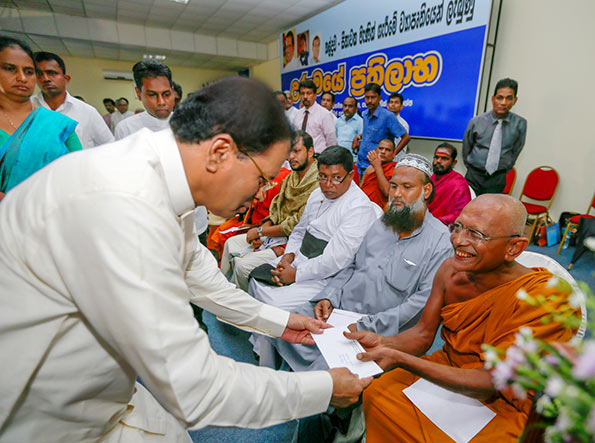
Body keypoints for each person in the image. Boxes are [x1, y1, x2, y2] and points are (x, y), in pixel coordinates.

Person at [0, 76, 371, 442]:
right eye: (262, 179)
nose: (260, 196)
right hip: (45, 412)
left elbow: (204, 282)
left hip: (100, 387)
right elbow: (194, 387)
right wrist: (321, 389)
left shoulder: (155, 176)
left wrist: (281, 322)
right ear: (220, 152)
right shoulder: (123, 202)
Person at [348, 194, 579, 442]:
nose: (458, 240)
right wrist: (384, 343)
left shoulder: (548, 297)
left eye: (476, 235)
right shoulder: (450, 271)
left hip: (508, 399)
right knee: (380, 393)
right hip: (450, 367)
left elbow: (493, 380)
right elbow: (423, 334)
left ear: (514, 248)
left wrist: (401, 359)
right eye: (458, 227)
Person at [264, 153, 452, 372]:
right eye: (393, 186)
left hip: (379, 329)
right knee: (279, 324)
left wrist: (366, 325)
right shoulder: (383, 222)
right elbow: (352, 265)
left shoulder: (440, 242)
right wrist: (328, 296)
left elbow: (417, 305)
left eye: (406, 187)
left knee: (325, 370)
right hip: (338, 308)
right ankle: (271, 384)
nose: (397, 194)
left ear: (426, 191)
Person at [248, 145, 378, 314]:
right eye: (322, 177)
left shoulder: (358, 207)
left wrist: (296, 274)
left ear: (351, 175)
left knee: (274, 305)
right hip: (299, 258)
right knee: (256, 280)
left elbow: (336, 260)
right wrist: (289, 255)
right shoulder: (317, 194)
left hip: (325, 274)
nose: (328, 185)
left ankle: (271, 340)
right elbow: (300, 231)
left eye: (336, 178)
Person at [222, 130, 319, 291]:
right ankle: (223, 292)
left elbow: (295, 224)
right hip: (274, 234)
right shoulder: (292, 177)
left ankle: (247, 305)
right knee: (230, 243)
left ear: (310, 151)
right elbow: (276, 209)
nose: (291, 157)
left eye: (297, 151)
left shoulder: (317, 183)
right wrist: (262, 231)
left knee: (242, 266)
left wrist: (261, 232)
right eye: (289, 152)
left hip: (293, 243)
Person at [0, 36, 81, 200]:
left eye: (29, 72)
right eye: (10, 68)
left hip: (49, 217)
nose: (22, 78)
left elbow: (80, 174)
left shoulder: (57, 124)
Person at [32, 51, 114, 149]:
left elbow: (109, 145)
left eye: (52, 73)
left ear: (66, 79)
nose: (45, 78)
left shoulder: (87, 111)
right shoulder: (27, 107)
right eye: (39, 74)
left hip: (77, 163)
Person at [463, 78, 527, 195]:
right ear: (493, 99)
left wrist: (504, 168)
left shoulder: (520, 124)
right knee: (468, 209)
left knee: (490, 212)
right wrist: (473, 167)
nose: (503, 103)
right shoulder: (476, 121)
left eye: (509, 98)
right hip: (474, 176)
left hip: (497, 178)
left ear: (515, 100)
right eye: (499, 98)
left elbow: (516, 149)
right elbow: (467, 147)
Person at [353, 83, 409, 176]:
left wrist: (393, 154)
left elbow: (406, 137)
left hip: (376, 167)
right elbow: (370, 132)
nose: (369, 101)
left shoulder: (388, 116)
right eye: (367, 98)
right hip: (361, 164)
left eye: (373, 97)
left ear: (379, 98)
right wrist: (358, 137)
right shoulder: (365, 114)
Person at [115, 60, 175, 140]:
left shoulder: (187, 124)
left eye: (166, 94)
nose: (161, 102)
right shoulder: (126, 129)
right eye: (152, 95)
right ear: (138, 93)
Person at [428, 143, 472, 225]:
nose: (438, 161)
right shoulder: (429, 179)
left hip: (444, 228)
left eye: (444, 158)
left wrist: (435, 222)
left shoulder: (458, 184)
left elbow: (460, 214)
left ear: (453, 163)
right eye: (436, 157)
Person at [291, 79, 337, 154]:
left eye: (309, 93)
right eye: (302, 93)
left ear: (315, 95)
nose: (305, 97)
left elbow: (331, 142)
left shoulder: (324, 114)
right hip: (301, 157)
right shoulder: (298, 115)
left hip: (318, 157)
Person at [360, 138, 397, 208]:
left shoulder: (395, 169)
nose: (383, 152)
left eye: (388, 150)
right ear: (376, 150)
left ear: (393, 154)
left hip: (380, 210)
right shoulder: (369, 169)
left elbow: (387, 192)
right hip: (364, 206)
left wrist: (377, 166)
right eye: (381, 148)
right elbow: (361, 190)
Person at [335, 96, 363, 161]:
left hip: (353, 160)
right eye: (345, 106)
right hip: (339, 159)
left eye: (350, 106)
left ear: (356, 108)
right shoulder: (338, 121)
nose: (347, 108)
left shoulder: (360, 122)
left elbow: (361, 142)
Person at [387, 92, 410, 160]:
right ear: (387, 105)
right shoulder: (383, 120)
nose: (393, 105)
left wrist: (393, 156)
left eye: (396, 102)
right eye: (391, 102)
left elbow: (401, 145)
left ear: (401, 106)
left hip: (395, 159)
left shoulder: (403, 124)